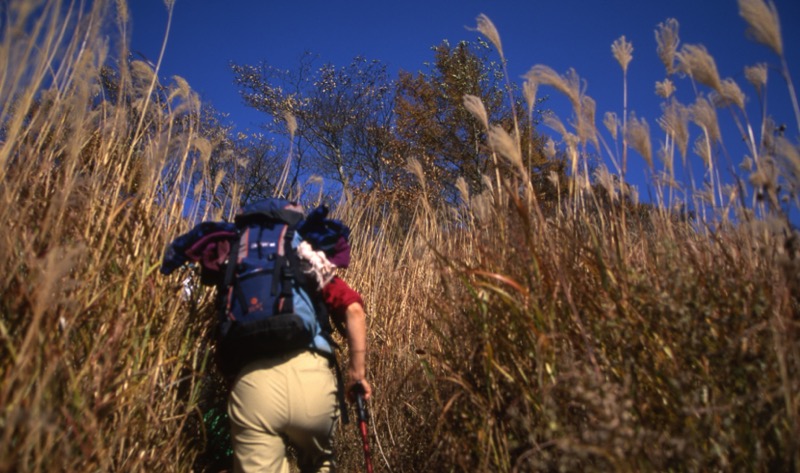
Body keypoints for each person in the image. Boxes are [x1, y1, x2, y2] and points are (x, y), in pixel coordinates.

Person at [226, 269, 372, 473]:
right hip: (312, 381)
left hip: (254, 383)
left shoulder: (239, 266)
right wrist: (356, 375)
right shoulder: (310, 262)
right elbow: (354, 310)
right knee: (320, 461)